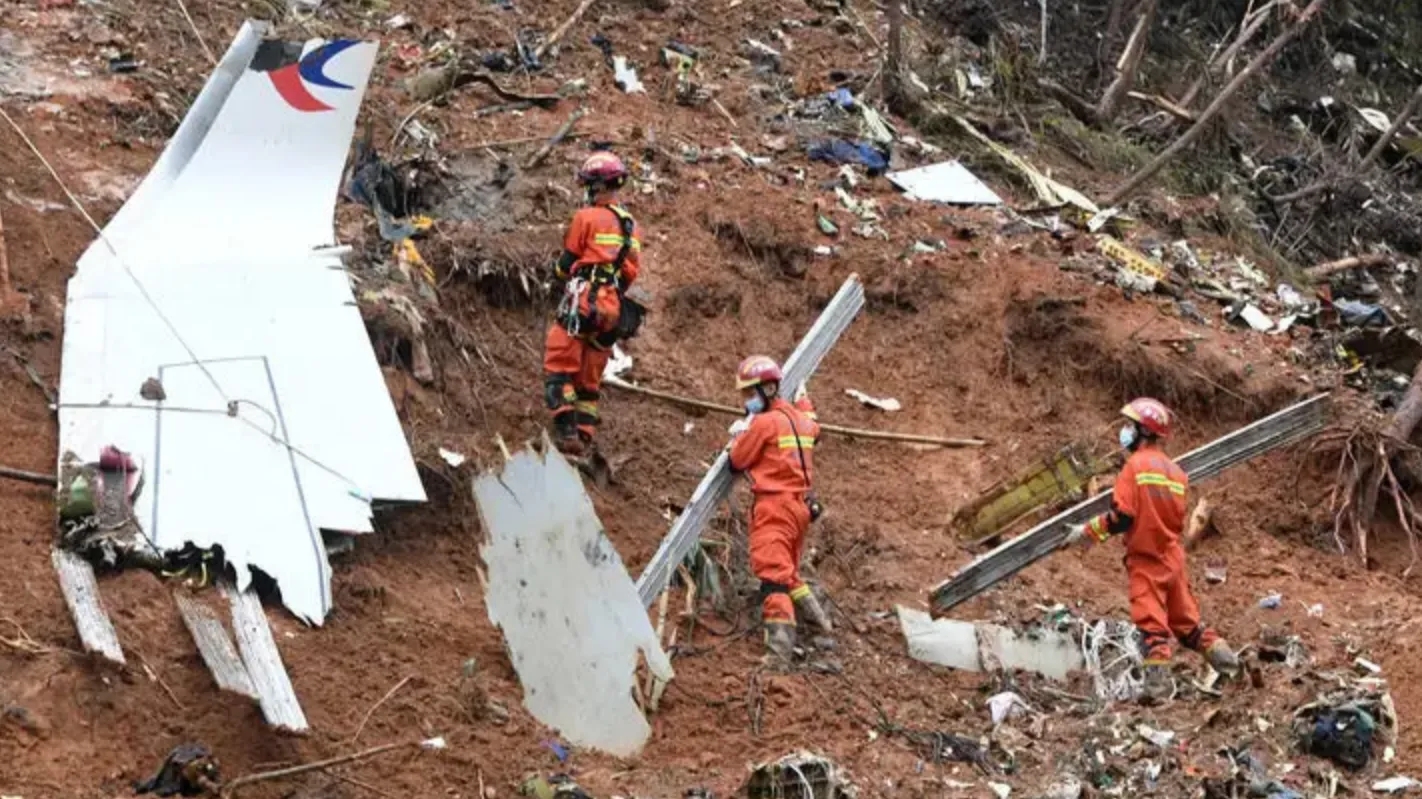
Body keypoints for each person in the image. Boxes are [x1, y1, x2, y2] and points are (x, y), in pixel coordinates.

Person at [1064, 397, 1239, 702]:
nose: (1124, 432)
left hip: (1146, 558)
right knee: (1188, 625)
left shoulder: (1135, 466)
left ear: (1143, 431)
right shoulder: (1176, 473)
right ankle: (1230, 663)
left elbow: (1123, 516)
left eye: (1129, 426)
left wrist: (1088, 532)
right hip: (1172, 556)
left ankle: (1158, 688)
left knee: (1152, 626)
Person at [727, 355, 832, 664]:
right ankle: (821, 630)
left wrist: (737, 436)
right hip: (799, 509)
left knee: (773, 577)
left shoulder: (764, 423)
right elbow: (815, 426)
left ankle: (778, 653)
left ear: (768, 390)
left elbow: (737, 461)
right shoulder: (801, 421)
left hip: (774, 509)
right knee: (789, 575)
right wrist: (805, 401)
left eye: (750, 393)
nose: (746, 400)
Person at [543, 150, 645, 456]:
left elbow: (568, 259)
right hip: (612, 307)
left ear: (596, 185)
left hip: (583, 299)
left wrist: (558, 275)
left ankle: (566, 429)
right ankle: (585, 437)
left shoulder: (585, 217)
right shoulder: (631, 226)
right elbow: (630, 271)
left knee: (559, 361)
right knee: (590, 373)